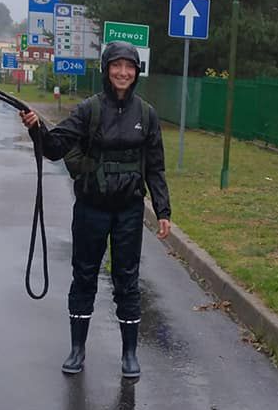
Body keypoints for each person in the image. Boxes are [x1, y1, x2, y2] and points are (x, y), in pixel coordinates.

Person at [20, 41, 171, 378]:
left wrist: (163, 210)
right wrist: (36, 127)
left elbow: (156, 168)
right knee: (84, 275)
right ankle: (77, 349)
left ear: (136, 72)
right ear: (106, 70)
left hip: (129, 211)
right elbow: (55, 148)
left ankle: (129, 354)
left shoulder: (146, 115)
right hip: (91, 209)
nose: (123, 73)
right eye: (116, 66)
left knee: (127, 281)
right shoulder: (89, 109)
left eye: (129, 67)